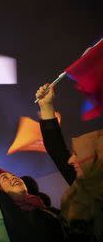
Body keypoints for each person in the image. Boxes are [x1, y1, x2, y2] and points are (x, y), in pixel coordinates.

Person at [36, 83, 103, 241]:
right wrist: (46, 106)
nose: (71, 159)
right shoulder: (84, 186)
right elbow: (56, 149)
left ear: (96, 161)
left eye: (78, 155)